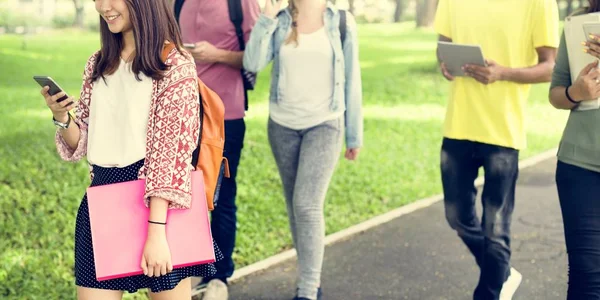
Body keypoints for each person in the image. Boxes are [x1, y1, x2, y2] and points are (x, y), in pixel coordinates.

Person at [41, 0, 221, 299]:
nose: (102, 6)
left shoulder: (173, 64)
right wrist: (62, 117)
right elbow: (82, 141)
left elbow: (170, 154)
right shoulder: (98, 63)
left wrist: (157, 232)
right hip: (102, 199)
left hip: (158, 204)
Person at [433, 0, 559, 299]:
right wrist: (446, 63)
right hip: (458, 124)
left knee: (496, 226)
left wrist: (502, 73)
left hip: (503, 130)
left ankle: (490, 289)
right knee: (456, 215)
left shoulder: (539, 3)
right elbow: (443, 43)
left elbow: (550, 67)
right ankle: (501, 272)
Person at [243, 0, 362, 299]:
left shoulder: (342, 22)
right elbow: (252, 63)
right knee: (295, 207)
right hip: (282, 126)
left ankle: (308, 290)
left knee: (307, 205)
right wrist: (266, 18)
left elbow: (353, 80)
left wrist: (353, 134)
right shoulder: (281, 19)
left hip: (325, 124)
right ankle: (310, 280)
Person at [177, 1, 259, 298]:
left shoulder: (241, 3)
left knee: (222, 195)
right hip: (183, 114)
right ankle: (191, 269)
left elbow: (258, 57)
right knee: (183, 195)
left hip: (226, 116)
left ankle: (219, 277)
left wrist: (217, 55)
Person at [549, 1, 600, 299]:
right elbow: (556, 93)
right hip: (579, 166)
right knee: (586, 278)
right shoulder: (580, 24)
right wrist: (576, 93)